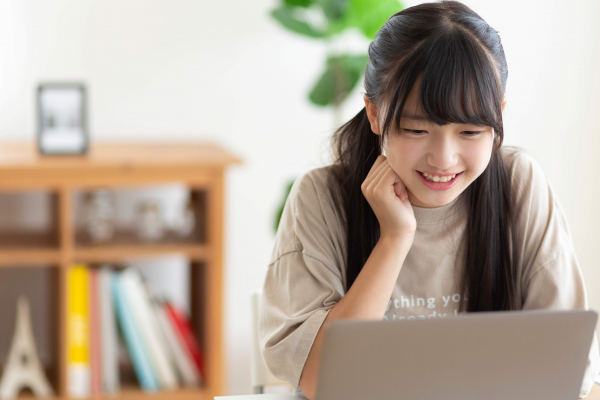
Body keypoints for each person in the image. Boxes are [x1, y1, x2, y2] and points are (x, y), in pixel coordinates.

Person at [258, 1, 600, 399]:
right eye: (417, 129)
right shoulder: (321, 197)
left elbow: (567, 370)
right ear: (374, 113)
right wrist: (395, 237)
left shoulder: (520, 185)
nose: (444, 159)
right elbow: (323, 382)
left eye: (470, 132)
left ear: (498, 117)